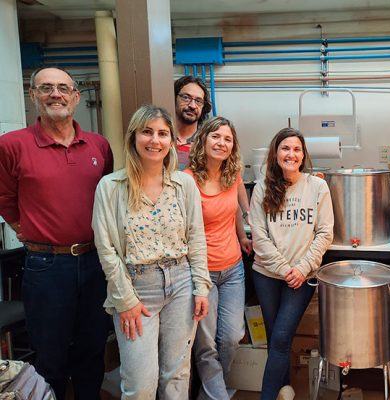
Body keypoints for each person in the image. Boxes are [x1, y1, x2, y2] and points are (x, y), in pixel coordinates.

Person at [0, 67, 113, 400]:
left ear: (76, 97)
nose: (55, 94)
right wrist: (25, 229)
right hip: (46, 265)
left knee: (92, 349)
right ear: (33, 95)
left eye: (63, 88)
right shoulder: (12, 145)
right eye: (46, 88)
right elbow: (5, 198)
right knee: (51, 355)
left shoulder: (98, 145)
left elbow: (108, 196)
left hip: (95, 261)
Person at [92, 104, 212, 399]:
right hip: (136, 288)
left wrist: (201, 286)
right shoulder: (111, 187)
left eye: (162, 133)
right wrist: (125, 299)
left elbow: (196, 238)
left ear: (171, 140)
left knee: (176, 375)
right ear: (134, 136)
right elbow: (106, 248)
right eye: (147, 132)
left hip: (181, 283)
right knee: (140, 384)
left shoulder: (183, 184)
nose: (155, 140)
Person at [249, 128, 333, 400]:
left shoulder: (317, 186)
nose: (291, 154)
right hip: (267, 274)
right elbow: (259, 236)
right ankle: (284, 389)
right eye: (285, 148)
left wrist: (302, 268)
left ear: (303, 155)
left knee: (282, 337)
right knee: (275, 337)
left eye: (297, 149)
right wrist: (286, 269)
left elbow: (325, 233)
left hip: (302, 276)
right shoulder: (262, 188)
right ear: (276, 153)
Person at [185, 116, 253, 400]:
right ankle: (218, 395)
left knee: (232, 337)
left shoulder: (232, 175)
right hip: (203, 273)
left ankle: (209, 393)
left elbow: (236, 209)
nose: (221, 143)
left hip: (233, 268)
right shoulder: (187, 179)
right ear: (203, 139)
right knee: (206, 345)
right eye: (216, 136)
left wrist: (243, 237)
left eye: (227, 139)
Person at [174, 76, 212, 170]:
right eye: (186, 97)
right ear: (174, 98)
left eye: (198, 101)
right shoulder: (161, 137)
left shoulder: (207, 143)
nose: (192, 105)